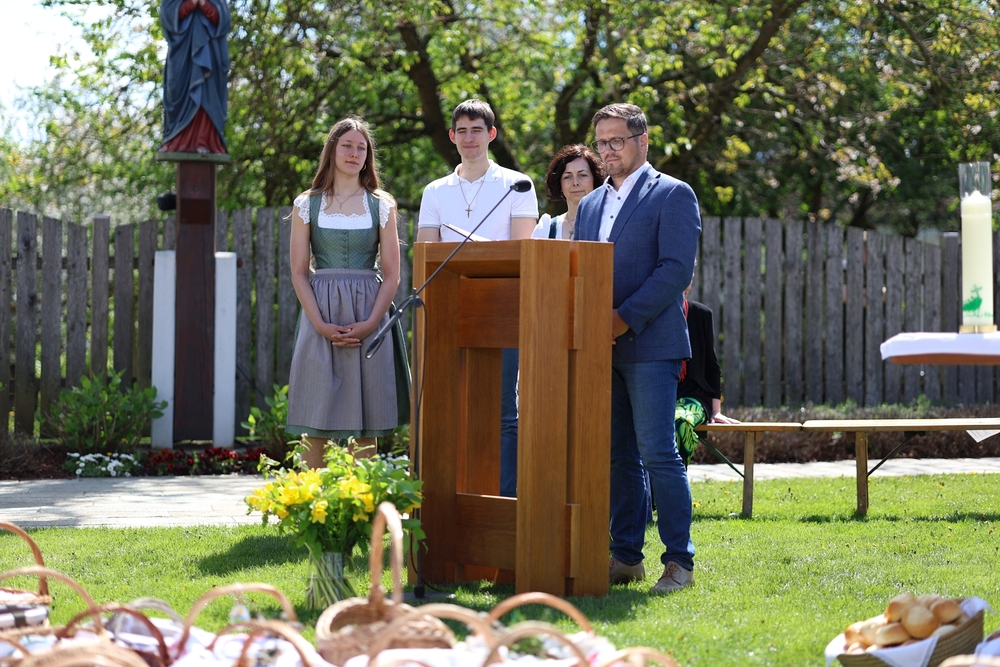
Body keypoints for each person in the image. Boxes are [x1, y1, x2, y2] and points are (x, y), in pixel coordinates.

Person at [574, 103, 701, 594]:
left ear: (642, 141)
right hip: (598, 347)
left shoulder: (673, 193)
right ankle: (626, 557)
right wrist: (591, 325)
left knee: (658, 453)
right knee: (618, 456)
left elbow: (675, 270)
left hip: (651, 344)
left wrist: (620, 319)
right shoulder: (589, 204)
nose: (607, 151)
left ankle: (679, 562)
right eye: (601, 142)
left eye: (617, 141)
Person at [416, 99, 538, 497]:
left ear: (491, 134)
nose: (469, 138)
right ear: (452, 137)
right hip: (449, 308)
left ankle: (503, 499)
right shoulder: (435, 191)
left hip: (502, 305)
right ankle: (450, 498)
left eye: (477, 130)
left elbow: (522, 252)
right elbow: (427, 255)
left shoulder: (517, 184)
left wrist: (479, 250)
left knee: (502, 410)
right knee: (449, 406)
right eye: (462, 131)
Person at [285, 117, 409, 468]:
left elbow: (392, 274)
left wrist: (370, 324)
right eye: (347, 145)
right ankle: (310, 497)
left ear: (368, 155)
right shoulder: (307, 203)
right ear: (332, 150)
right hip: (320, 312)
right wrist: (320, 324)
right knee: (315, 418)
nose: (354, 153)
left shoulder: (381, 204)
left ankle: (358, 498)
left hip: (369, 312)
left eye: (361, 148)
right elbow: (299, 271)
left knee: (365, 420)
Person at [159, 0, 230, 153]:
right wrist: (191, 3)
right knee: (176, 89)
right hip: (182, 53)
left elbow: (223, 19)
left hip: (209, 52)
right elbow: (167, 14)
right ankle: (175, 139)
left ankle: (203, 141)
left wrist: (204, 4)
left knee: (205, 94)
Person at [532, 145, 605, 240]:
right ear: (560, 184)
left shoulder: (608, 224)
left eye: (583, 175)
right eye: (567, 177)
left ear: (595, 179)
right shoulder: (546, 229)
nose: (575, 183)